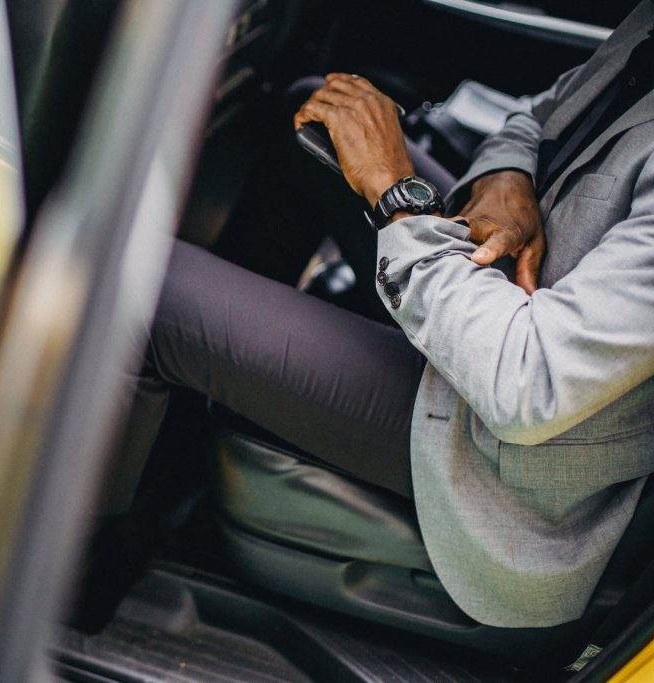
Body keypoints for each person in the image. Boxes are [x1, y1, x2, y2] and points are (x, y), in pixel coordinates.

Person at [115, 0, 654, 628]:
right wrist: (508, 175)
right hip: (489, 300)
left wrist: (397, 198)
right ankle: (180, 421)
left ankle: (74, 574)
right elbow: (536, 116)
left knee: (139, 292)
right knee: (314, 115)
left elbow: (528, 385)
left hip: (496, 442)